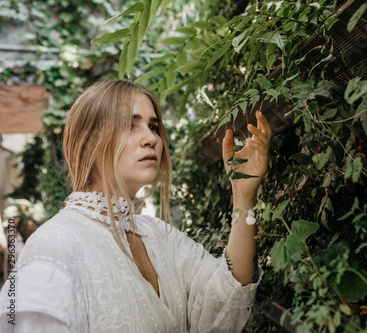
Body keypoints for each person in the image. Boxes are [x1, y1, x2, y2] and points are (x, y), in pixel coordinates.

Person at [0, 78, 271, 332]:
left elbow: (223, 300)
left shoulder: (158, 235)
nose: (151, 138)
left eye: (153, 126)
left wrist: (243, 196)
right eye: (130, 125)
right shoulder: (54, 245)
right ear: (89, 142)